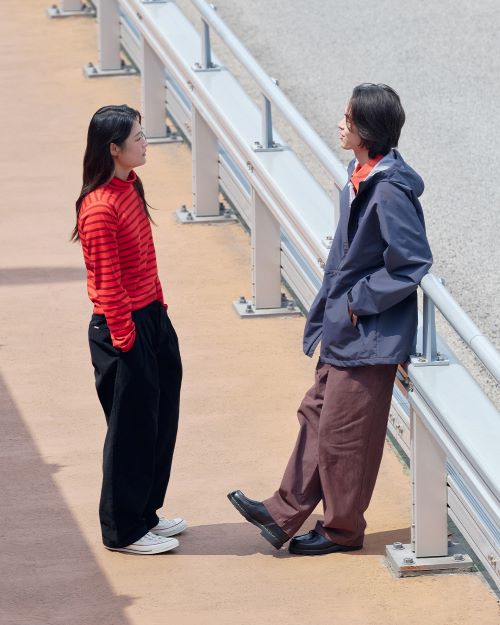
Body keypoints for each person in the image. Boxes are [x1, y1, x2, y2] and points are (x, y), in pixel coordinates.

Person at [228, 83, 433, 555]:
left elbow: (412, 262)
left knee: (345, 436)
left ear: (366, 130)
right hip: (346, 328)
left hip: (370, 334)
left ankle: (341, 530)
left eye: (348, 119)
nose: (340, 125)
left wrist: (359, 300)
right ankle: (282, 511)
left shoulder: (389, 191)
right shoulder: (360, 176)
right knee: (316, 415)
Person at [72, 105, 185, 555]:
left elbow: (144, 259)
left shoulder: (131, 186)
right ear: (114, 149)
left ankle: (145, 514)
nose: (145, 142)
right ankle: (123, 530)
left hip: (151, 316)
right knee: (130, 431)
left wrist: (159, 312)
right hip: (122, 328)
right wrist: (127, 340)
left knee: (160, 419)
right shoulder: (99, 208)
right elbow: (107, 282)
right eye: (138, 137)